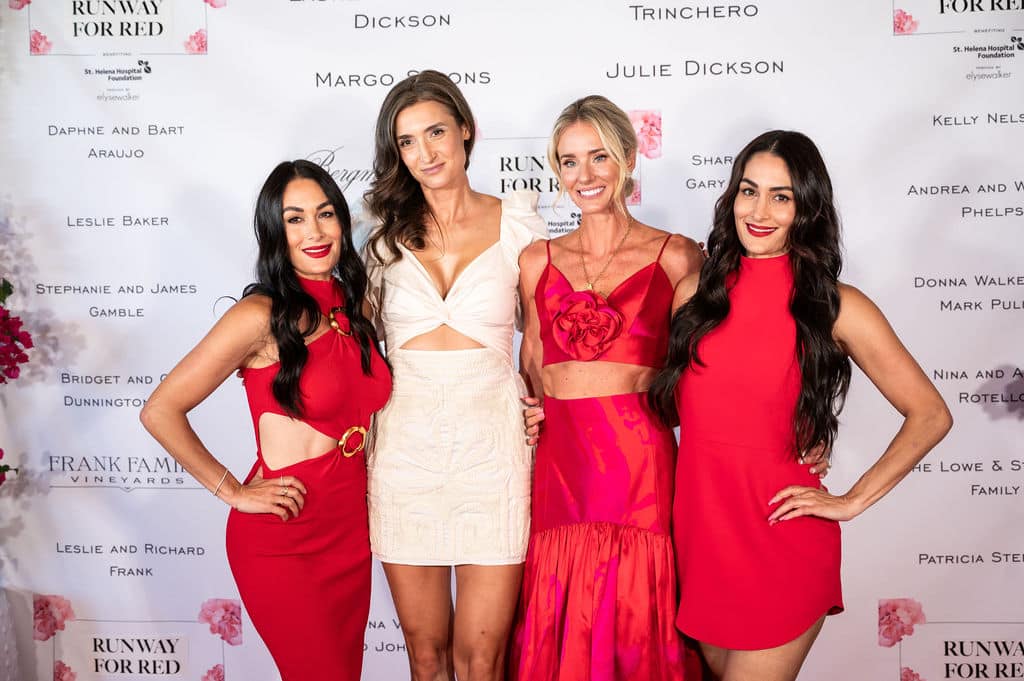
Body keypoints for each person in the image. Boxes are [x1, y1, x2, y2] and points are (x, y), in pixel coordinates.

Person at [648, 130, 953, 681]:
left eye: (781, 196)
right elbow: (678, 412)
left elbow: (930, 414)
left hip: (782, 539)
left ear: (806, 208)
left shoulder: (837, 306)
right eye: (749, 191)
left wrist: (852, 500)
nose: (759, 211)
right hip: (702, 542)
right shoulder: (694, 295)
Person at [140, 160, 391, 681]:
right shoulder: (259, 316)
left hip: (351, 531)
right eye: (295, 219)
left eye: (325, 214)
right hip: (285, 536)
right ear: (276, 232)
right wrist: (232, 490)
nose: (314, 231)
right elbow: (160, 410)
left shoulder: (358, 306)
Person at [509, 95, 705, 681]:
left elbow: (705, 377)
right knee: (562, 612)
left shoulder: (676, 256)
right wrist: (525, 412)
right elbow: (531, 369)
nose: (584, 175)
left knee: (635, 619)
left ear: (628, 158)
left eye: (598, 157)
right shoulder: (535, 260)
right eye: (569, 161)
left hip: (640, 468)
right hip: (561, 468)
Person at [362, 70, 547, 681]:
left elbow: (539, 344)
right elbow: (350, 347)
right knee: (426, 658)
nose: (426, 153)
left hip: (494, 456)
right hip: (404, 455)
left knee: (482, 661)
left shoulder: (519, 224)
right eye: (407, 141)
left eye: (437, 132)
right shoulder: (381, 241)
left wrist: (545, 407)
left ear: (466, 130)